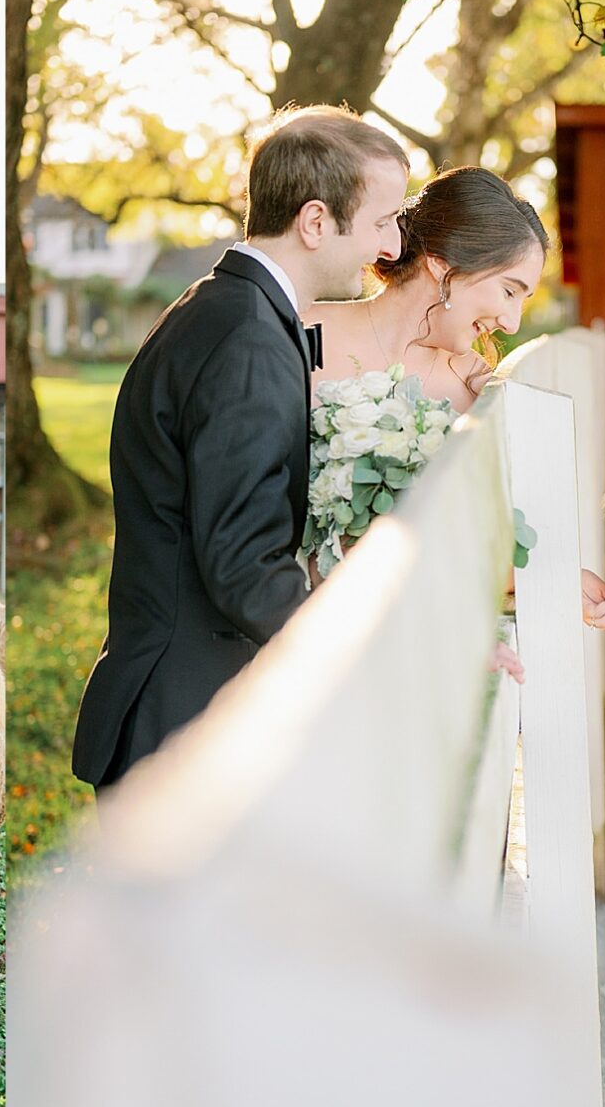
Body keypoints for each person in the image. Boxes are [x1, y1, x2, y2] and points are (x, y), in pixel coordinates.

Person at [70, 104, 410, 792]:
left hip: (184, 703)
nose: (392, 247)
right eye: (382, 221)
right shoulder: (247, 338)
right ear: (315, 222)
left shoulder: (227, 309)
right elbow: (243, 567)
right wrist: (370, 646)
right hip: (182, 721)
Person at [312, 165, 605, 640]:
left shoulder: (478, 392)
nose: (510, 322)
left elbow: (464, 546)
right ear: (442, 265)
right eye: (509, 290)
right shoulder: (306, 337)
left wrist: (548, 581)